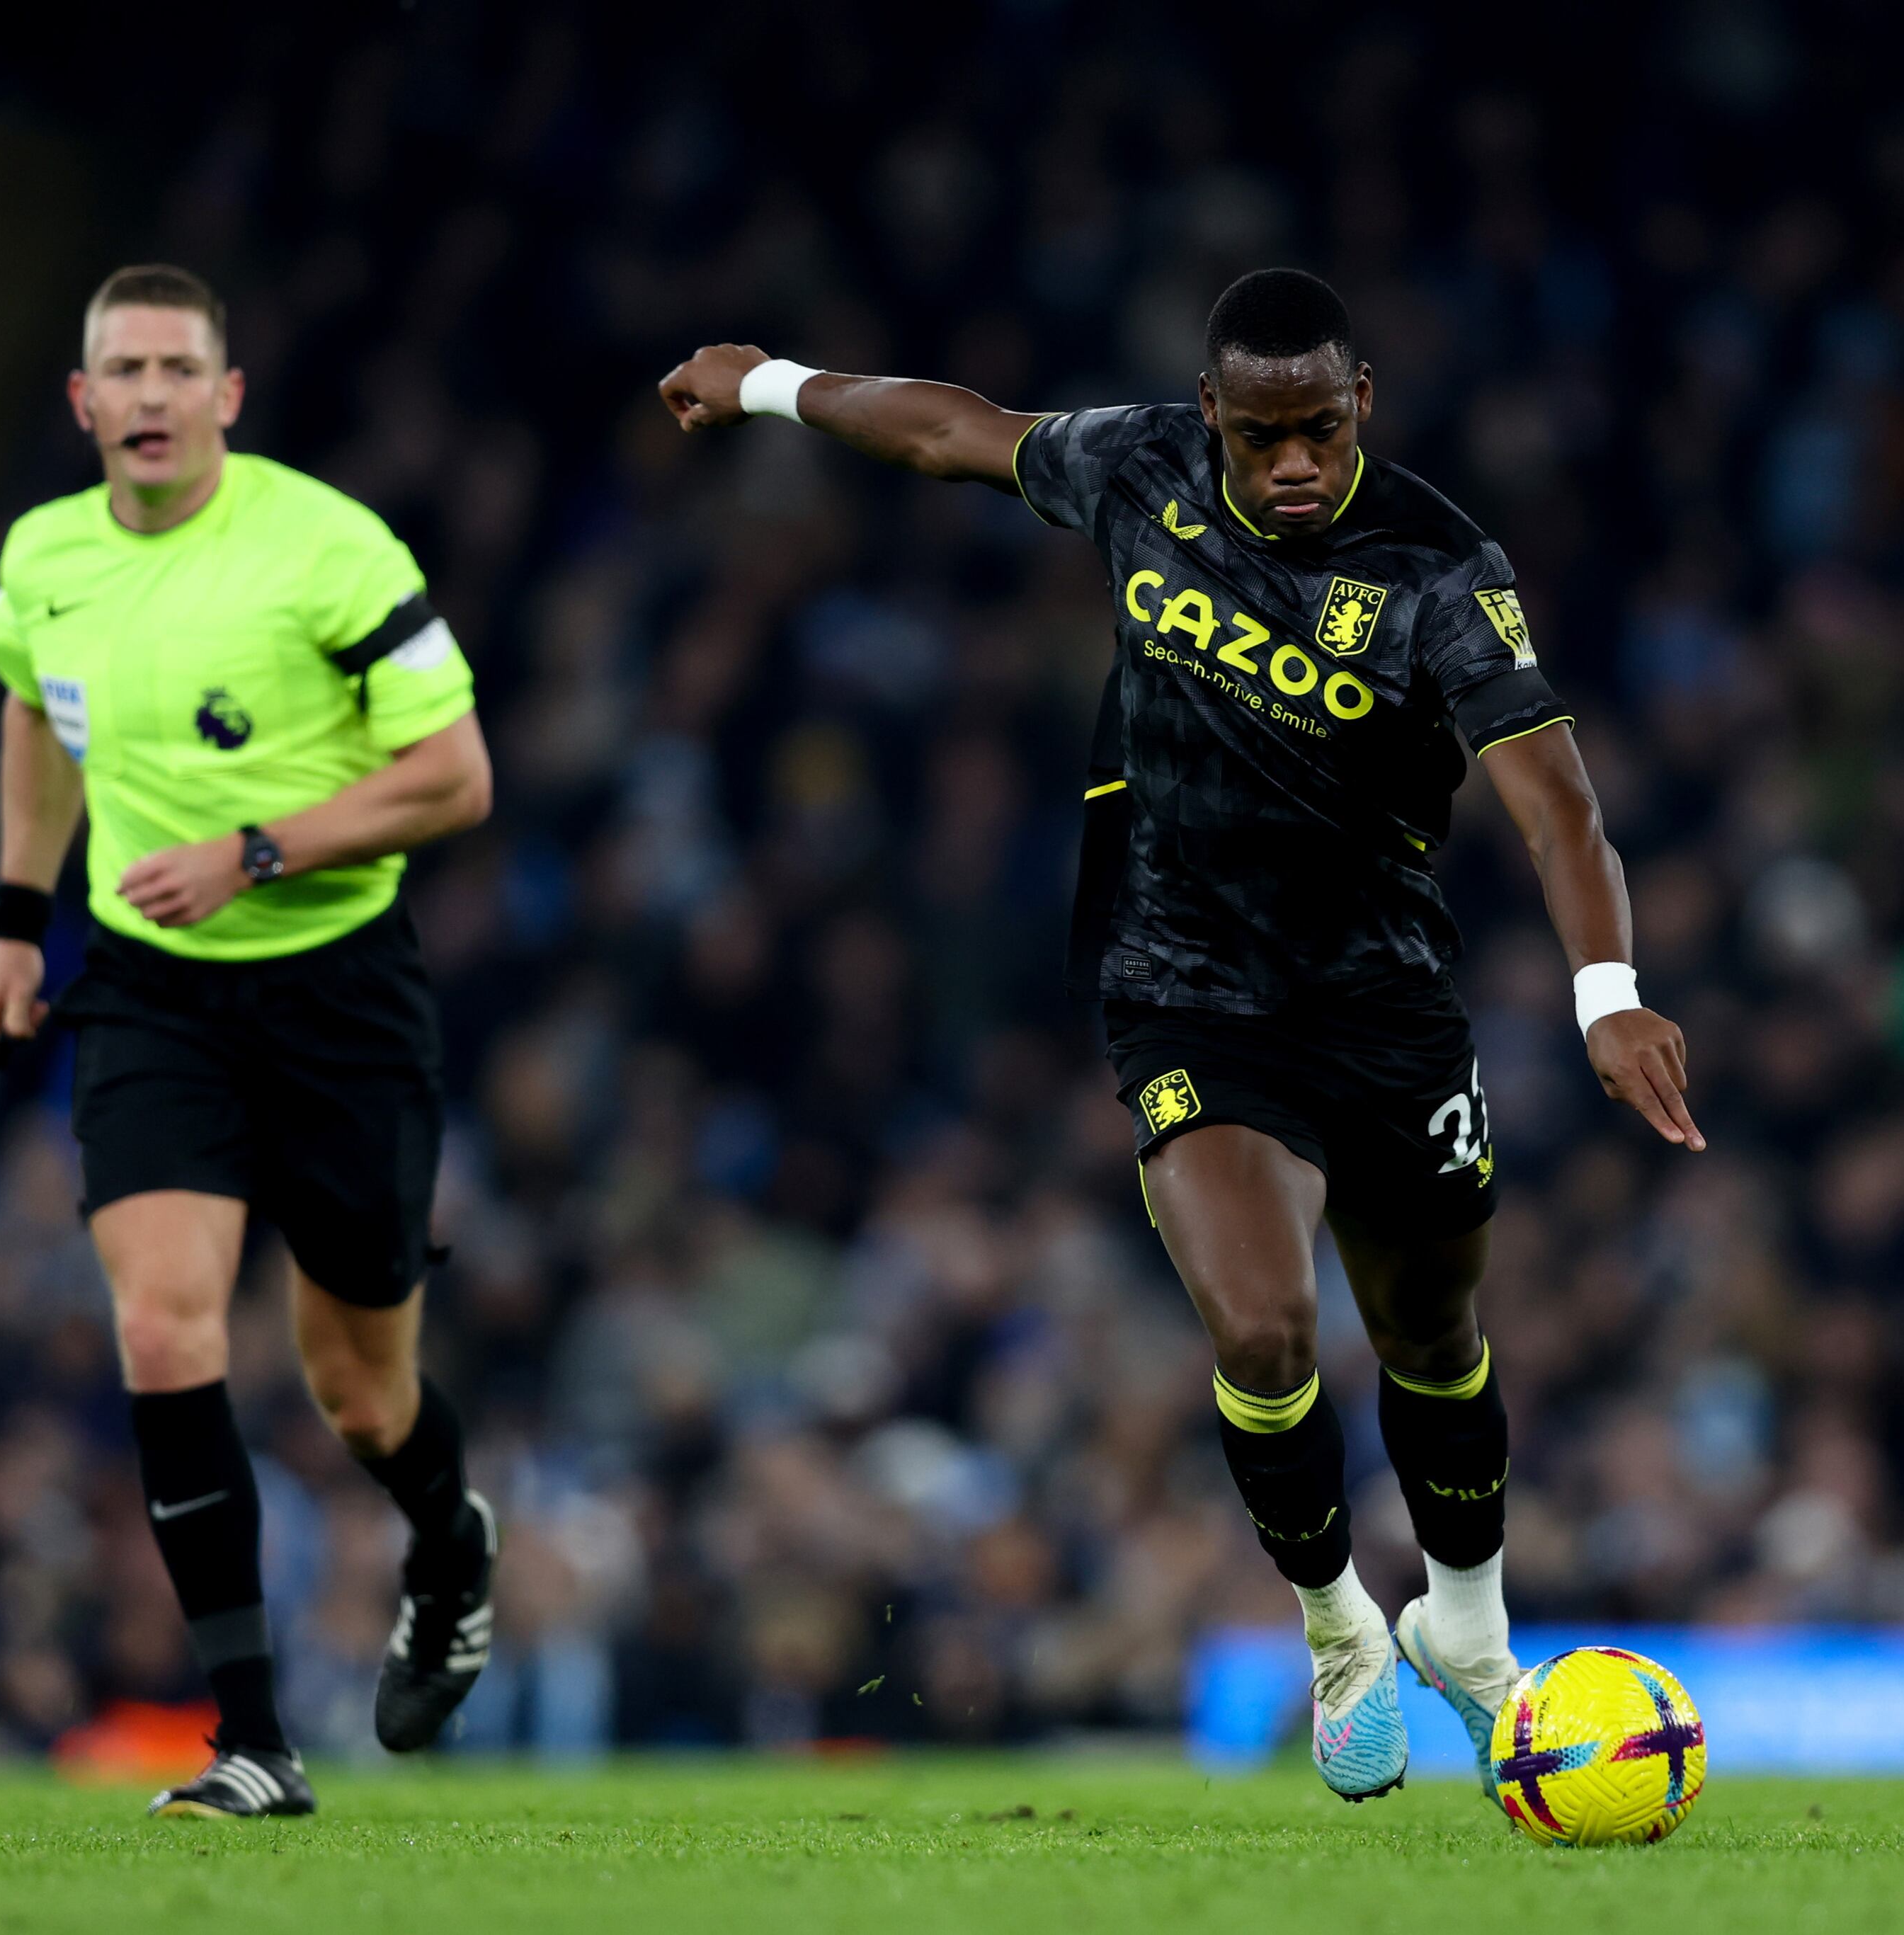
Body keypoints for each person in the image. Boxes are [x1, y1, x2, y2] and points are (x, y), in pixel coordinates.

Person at [655, 268, 1700, 1804]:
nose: (1294, 464)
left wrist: (1606, 993)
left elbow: (1555, 800)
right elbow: (957, 431)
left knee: (1429, 1334)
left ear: (1363, 411)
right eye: (1264, 433)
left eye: (1323, 433)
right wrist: (767, 384)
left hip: (1383, 999)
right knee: (1267, 1331)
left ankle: (1466, 1630)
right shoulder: (1138, 465)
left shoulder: (1434, 565)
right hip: (1182, 984)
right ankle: (1342, 1630)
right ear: (1209, 415)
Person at [0, 265, 501, 1817]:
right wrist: (13, 916)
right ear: (82, 403)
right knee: (167, 1327)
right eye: (117, 370)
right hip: (152, 990)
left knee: (361, 1395)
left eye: (172, 368)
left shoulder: (323, 546)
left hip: (338, 993)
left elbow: (455, 774)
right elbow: (26, 700)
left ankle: (449, 1544)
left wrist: (259, 849)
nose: (143, 394)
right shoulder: (45, 559)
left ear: (225, 395)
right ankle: (252, 1735)